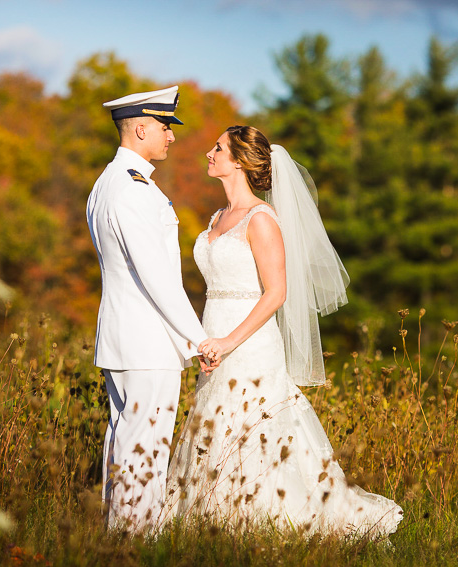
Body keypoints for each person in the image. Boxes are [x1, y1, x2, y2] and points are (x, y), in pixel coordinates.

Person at [163, 125, 402, 538]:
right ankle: (210, 519)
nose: (208, 153)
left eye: (217, 148)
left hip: (249, 342)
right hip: (212, 337)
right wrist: (203, 340)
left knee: (253, 428)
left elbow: (276, 293)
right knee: (214, 425)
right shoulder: (217, 218)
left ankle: (266, 523)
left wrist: (228, 342)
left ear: (237, 160)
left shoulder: (261, 218)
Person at [86, 85, 216, 532]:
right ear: (140, 128)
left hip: (124, 337)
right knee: (145, 448)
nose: (172, 137)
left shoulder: (108, 183)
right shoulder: (132, 189)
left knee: (124, 442)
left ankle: (118, 537)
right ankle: (135, 542)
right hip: (146, 342)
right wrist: (198, 338)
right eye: (165, 127)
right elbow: (156, 277)